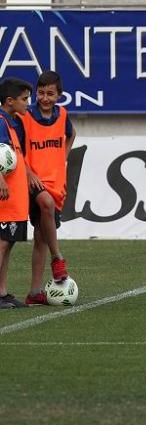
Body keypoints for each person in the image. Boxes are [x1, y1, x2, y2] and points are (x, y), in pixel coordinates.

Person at [21, 71, 75, 306]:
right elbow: (16, 147)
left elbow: (71, 134)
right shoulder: (26, 116)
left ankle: (34, 293)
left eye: (50, 93)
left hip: (55, 182)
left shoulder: (62, 115)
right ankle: (58, 258)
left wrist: (61, 158)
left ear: (59, 95)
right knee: (46, 203)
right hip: (32, 181)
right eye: (41, 93)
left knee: (40, 237)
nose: (45, 98)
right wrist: (29, 172)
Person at [0, 78, 31, 309]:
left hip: (16, 198)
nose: (27, 103)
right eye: (24, 99)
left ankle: (2, 293)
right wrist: (1, 179)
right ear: (9, 101)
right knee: (1, 244)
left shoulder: (12, 122)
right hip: (6, 198)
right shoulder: (1, 122)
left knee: (7, 244)